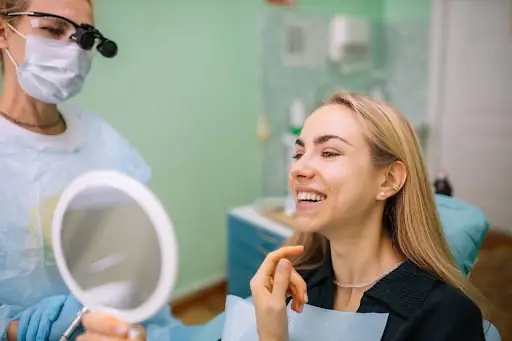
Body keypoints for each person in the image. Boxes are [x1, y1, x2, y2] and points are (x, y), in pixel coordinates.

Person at [77, 92, 489, 341]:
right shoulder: (301, 281)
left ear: (389, 179)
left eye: (328, 152)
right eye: (299, 152)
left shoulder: (444, 317)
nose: (299, 168)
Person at [0, 0, 185, 340]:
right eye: (53, 30)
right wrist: (25, 332)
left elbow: (136, 259)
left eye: (85, 39)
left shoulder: (104, 143)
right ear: (3, 30)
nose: (72, 52)